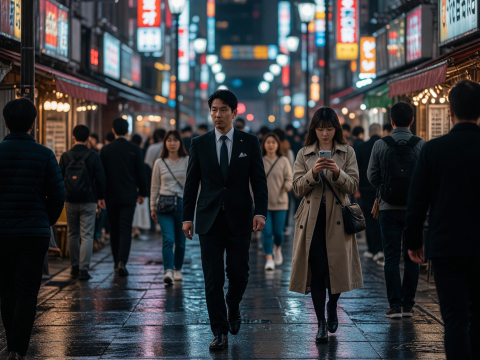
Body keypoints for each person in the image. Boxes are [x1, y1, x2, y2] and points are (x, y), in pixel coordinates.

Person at [182, 89, 268, 350]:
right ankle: (219, 331)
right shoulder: (199, 143)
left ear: (234, 112)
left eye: (222, 110)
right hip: (209, 220)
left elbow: (259, 181)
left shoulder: (249, 142)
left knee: (239, 274)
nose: (217, 115)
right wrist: (187, 217)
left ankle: (233, 304)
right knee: (212, 278)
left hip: (241, 217)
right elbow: (191, 183)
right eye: (213, 110)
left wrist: (260, 212)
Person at [405, 80, 480, 360]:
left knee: (454, 318)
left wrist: (413, 241)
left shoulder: (434, 150)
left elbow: (417, 199)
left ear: (450, 111)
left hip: (446, 246)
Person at [290, 107, 363, 343]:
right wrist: (313, 172)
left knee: (338, 269)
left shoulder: (347, 152)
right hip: (312, 221)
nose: (325, 134)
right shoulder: (304, 153)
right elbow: (297, 188)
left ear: (336, 129)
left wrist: (337, 172)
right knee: (319, 272)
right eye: (320, 129)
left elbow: (352, 186)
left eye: (329, 129)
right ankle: (321, 323)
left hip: (338, 220)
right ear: (314, 129)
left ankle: (333, 305)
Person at [0, 98, 65, 360]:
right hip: (34, 233)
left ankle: (11, 342)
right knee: (27, 291)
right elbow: (58, 196)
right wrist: (44, 220)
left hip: (2, 233)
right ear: (33, 123)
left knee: (6, 290)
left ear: (5, 123)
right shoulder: (45, 154)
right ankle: (17, 349)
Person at [367, 101, 426, 318]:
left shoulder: (381, 145)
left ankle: (395, 306)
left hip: (387, 208)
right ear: (412, 120)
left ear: (391, 121)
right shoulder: (421, 145)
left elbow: (372, 177)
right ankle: (409, 305)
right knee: (412, 256)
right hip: (414, 209)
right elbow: (426, 178)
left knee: (391, 257)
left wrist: (385, 187)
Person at [100, 118, 148, 277]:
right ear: (127, 131)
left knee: (114, 228)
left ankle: (116, 261)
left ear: (113, 130)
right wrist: (142, 193)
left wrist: (100, 195)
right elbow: (141, 172)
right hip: (129, 195)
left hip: (111, 195)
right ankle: (122, 261)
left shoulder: (106, 150)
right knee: (125, 228)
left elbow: (102, 175)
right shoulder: (135, 149)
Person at [59, 125, 106, 280]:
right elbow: (100, 178)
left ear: (73, 137)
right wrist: (101, 197)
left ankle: (74, 266)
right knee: (86, 234)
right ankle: (84, 269)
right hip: (89, 199)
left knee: (73, 233)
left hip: (70, 199)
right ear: (88, 139)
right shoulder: (93, 155)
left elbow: (59, 178)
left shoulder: (66, 156)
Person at [151, 130, 189, 284]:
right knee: (168, 238)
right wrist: (152, 207)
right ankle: (168, 270)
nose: (172, 143)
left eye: (175, 140)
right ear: (165, 143)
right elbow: (154, 186)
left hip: (182, 204)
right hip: (164, 205)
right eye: (169, 140)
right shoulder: (159, 162)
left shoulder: (187, 160)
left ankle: (178, 268)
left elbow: (193, 185)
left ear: (180, 142)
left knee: (181, 241)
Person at [261, 133, 292, 270]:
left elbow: (289, 178)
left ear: (277, 144)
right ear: (264, 145)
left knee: (278, 232)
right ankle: (269, 258)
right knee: (266, 232)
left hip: (280, 202)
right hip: (263, 204)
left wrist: (286, 186)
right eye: (268, 142)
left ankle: (277, 248)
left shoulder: (283, 160)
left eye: (273, 142)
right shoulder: (259, 160)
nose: (271, 145)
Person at [356, 124, 383, 261]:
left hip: (365, 188)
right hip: (381, 189)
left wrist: (357, 189)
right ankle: (380, 249)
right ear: (381, 132)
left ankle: (371, 249)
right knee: (380, 218)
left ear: (369, 132)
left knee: (368, 218)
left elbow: (357, 169)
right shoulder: (384, 146)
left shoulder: (362, 147)